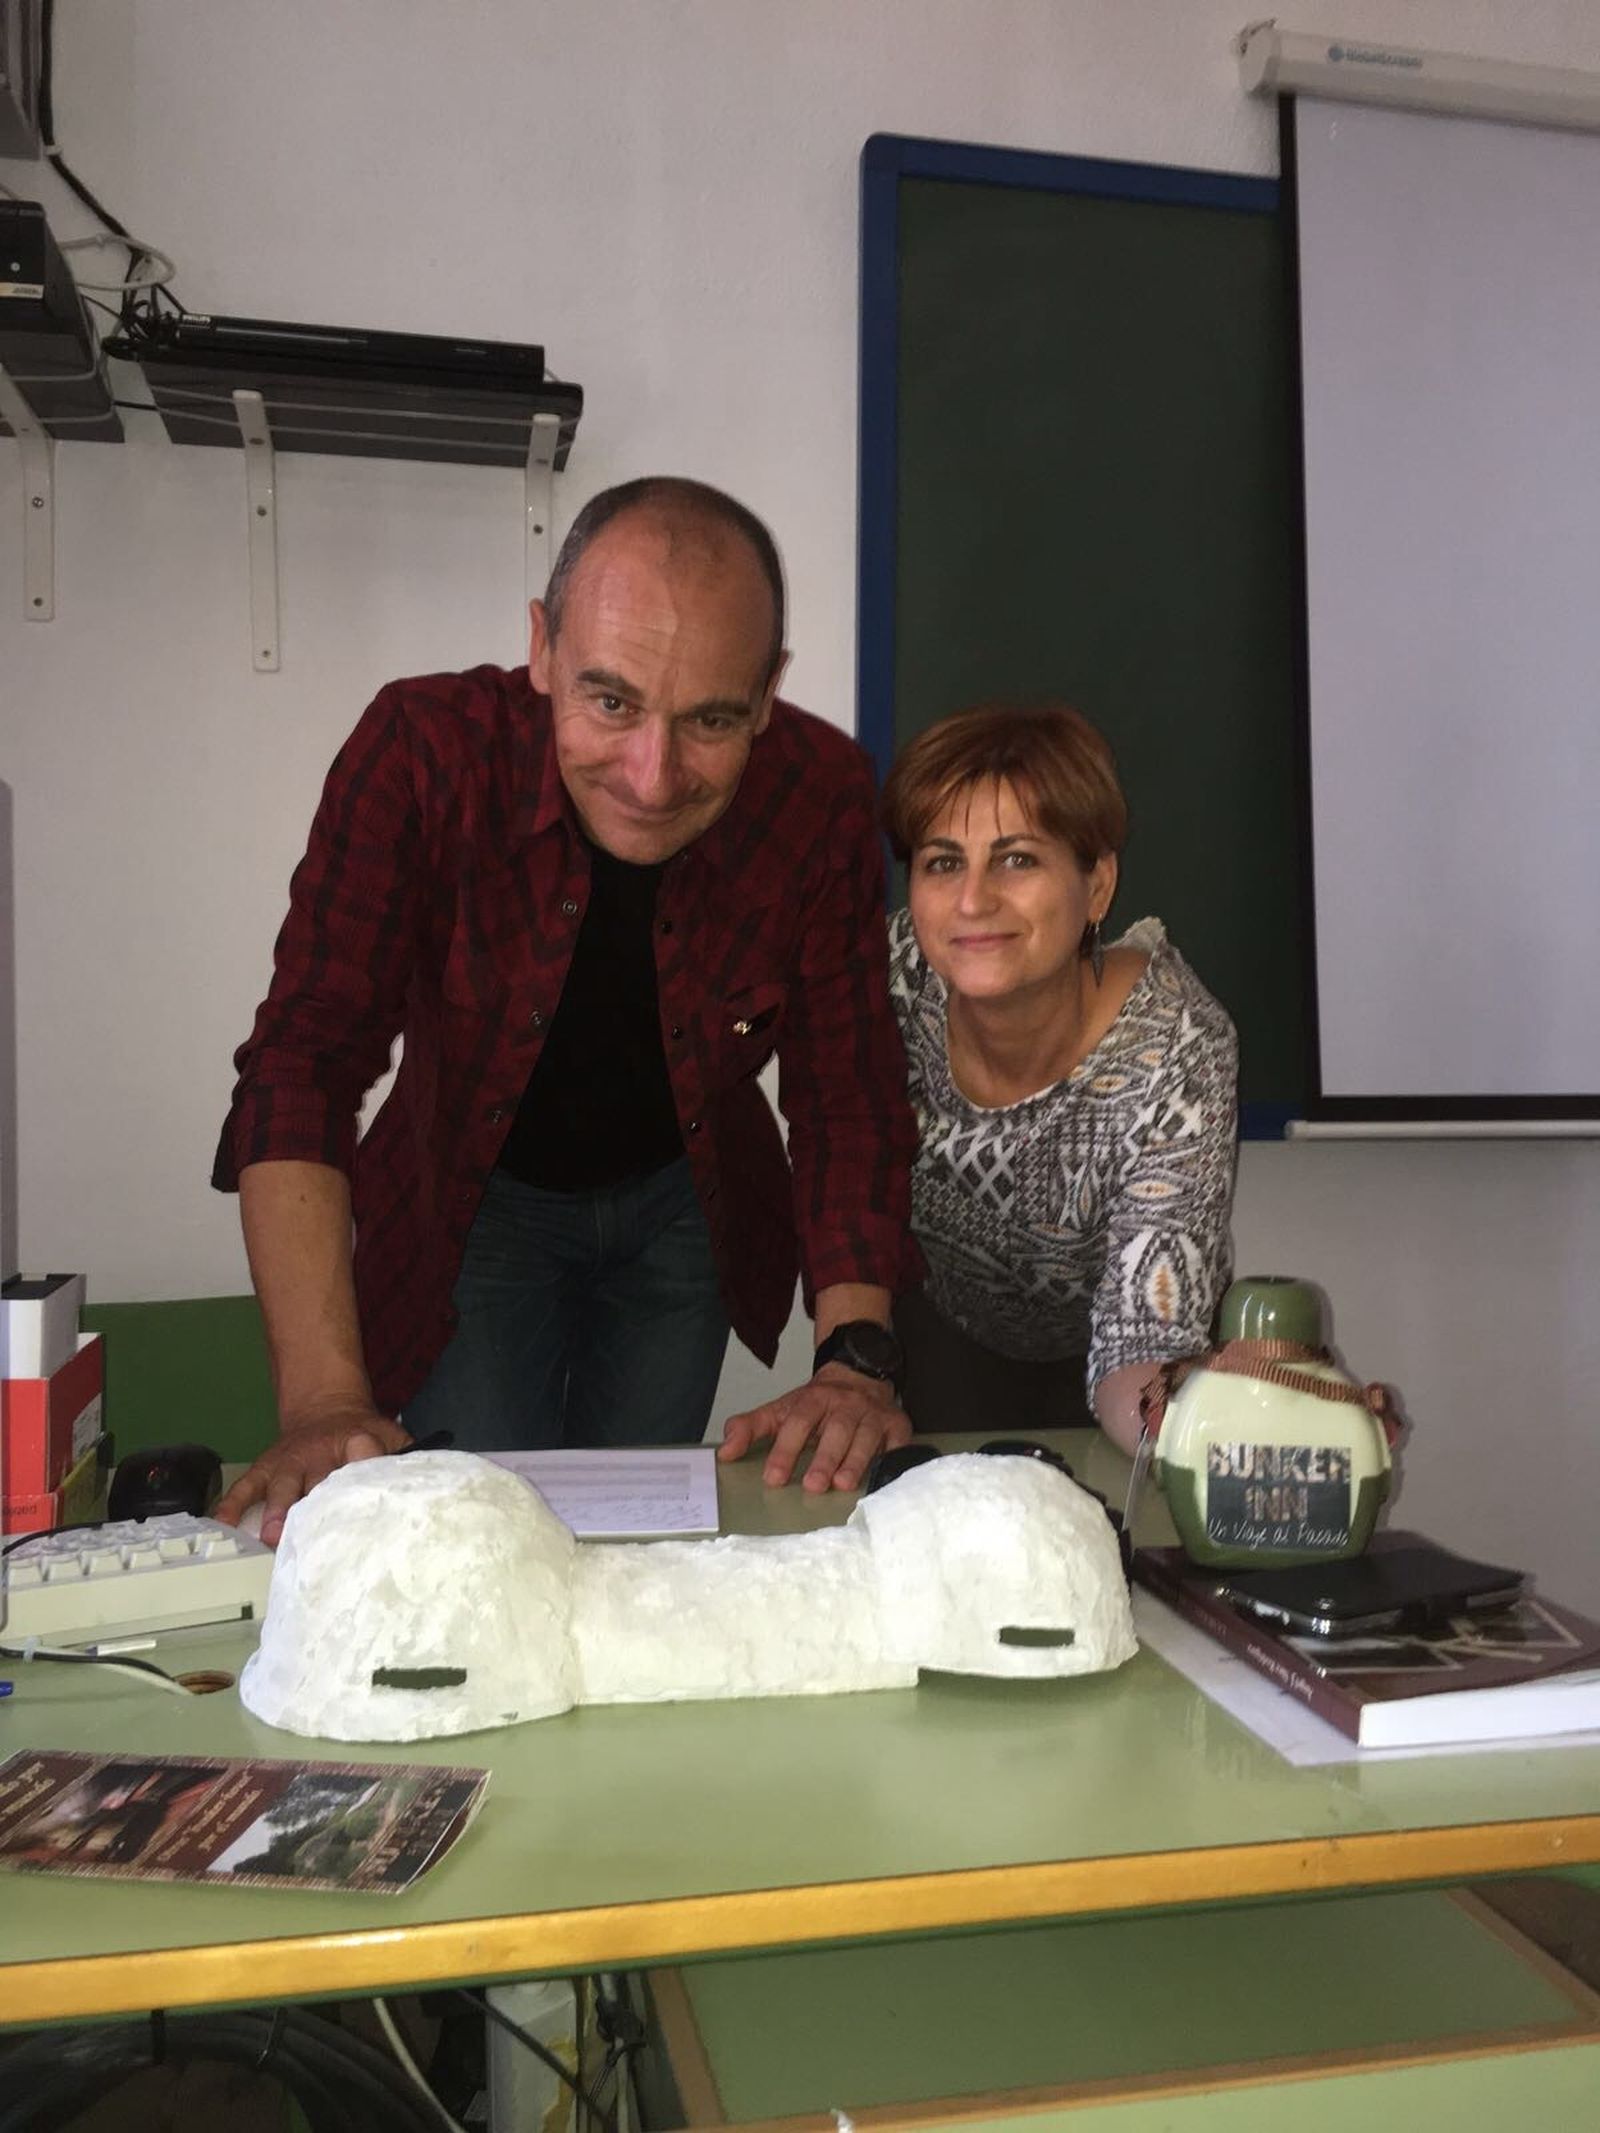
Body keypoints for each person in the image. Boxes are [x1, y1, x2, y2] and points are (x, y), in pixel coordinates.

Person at [212, 477, 918, 1544]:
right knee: (478, 1540)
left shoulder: (820, 795)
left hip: (687, 1209)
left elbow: (846, 1096)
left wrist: (854, 1360)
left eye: (713, 720)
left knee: (632, 1543)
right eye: (610, 701)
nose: (652, 774)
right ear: (541, 648)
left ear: (769, 692)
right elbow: (302, 1062)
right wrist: (322, 1403)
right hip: (472, 1204)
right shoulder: (421, 752)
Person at [880, 703, 1238, 1456]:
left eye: (1017, 858)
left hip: (1123, 1355)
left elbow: (1143, 1340)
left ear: (1098, 886)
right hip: (945, 1328)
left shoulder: (1178, 1047)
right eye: (943, 861)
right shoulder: (891, 979)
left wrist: (1210, 1434)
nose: (973, 900)